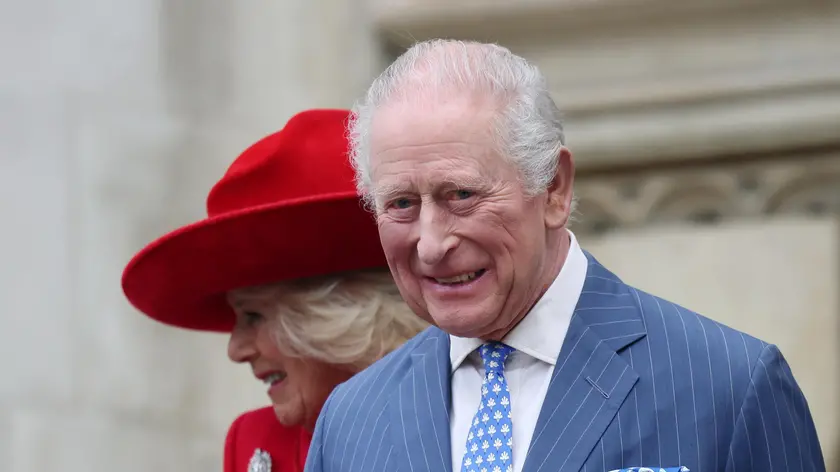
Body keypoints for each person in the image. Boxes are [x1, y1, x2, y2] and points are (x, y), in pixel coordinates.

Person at [304, 41, 826, 472]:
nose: (432, 243)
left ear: (553, 188)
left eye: (461, 195)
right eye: (401, 204)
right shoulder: (350, 423)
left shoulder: (728, 387)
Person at [121, 109, 428, 472]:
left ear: (351, 313)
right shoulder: (255, 443)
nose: (236, 350)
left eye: (254, 316)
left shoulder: (463, 423)